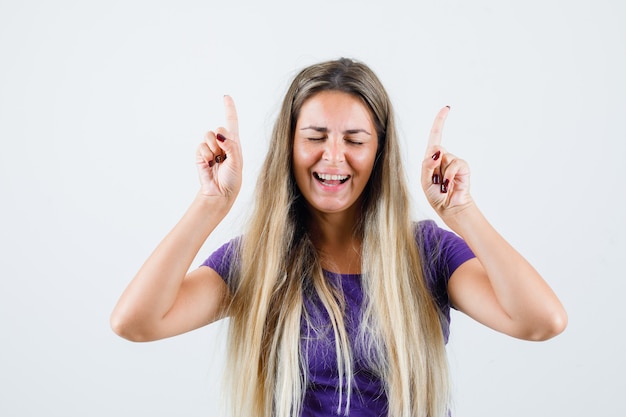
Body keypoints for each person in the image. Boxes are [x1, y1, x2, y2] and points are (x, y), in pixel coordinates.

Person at [110, 58, 567, 417]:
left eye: (354, 139)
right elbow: (136, 322)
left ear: (379, 151)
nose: (333, 157)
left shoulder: (427, 253)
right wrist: (211, 204)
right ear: (289, 146)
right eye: (315, 136)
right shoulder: (260, 259)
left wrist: (462, 213)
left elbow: (541, 321)